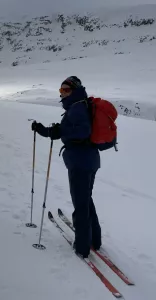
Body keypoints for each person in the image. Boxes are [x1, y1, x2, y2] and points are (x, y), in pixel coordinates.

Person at [31, 76, 101, 258]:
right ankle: (95, 240)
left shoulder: (77, 107)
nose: (62, 94)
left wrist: (60, 131)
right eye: (61, 90)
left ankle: (82, 247)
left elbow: (82, 131)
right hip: (89, 160)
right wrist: (43, 130)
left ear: (75, 90)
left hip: (80, 162)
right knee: (86, 199)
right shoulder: (80, 105)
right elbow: (64, 132)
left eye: (66, 90)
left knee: (81, 203)